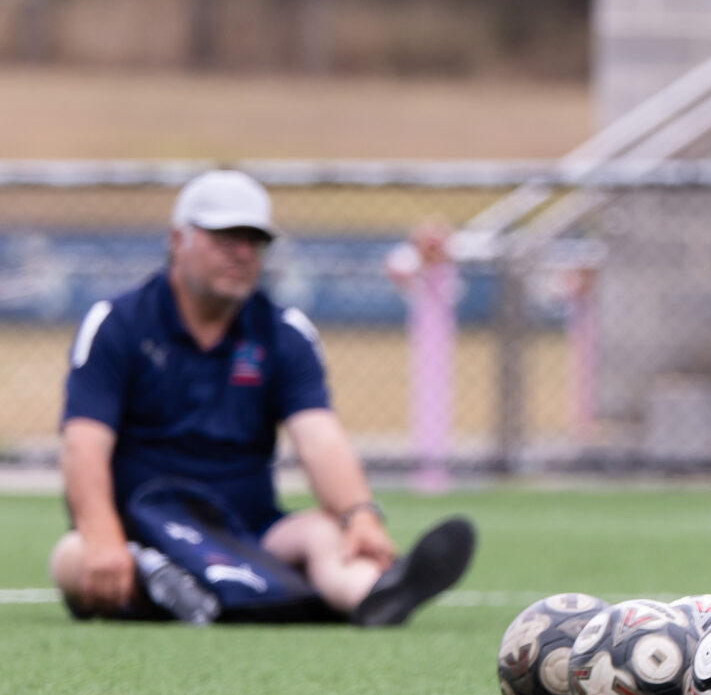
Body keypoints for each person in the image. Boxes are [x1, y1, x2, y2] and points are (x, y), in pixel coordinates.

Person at [51, 170, 477, 626]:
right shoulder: (117, 323)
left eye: (254, 241)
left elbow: (319, 440)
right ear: (179, 240)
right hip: (142, 531)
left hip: (247, 534)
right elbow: (84, 444)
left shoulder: (284, 332)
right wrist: (101, 535)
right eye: (225, 238)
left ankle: (372, 595)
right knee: (73, 557)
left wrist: (360, 516)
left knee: (324, 534)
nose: (242, 253)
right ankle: (186, 583)